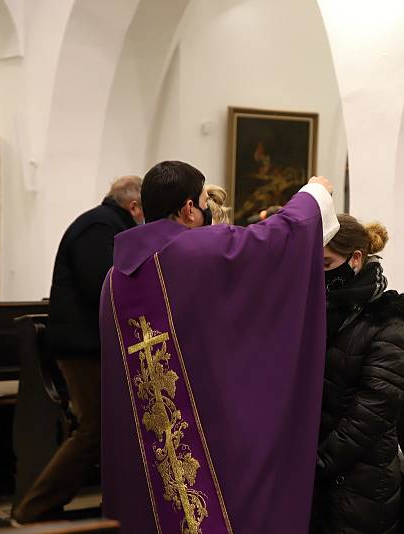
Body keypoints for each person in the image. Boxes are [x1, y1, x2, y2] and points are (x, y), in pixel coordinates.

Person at [99, 161, 339, 533]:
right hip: (208, 427)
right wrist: (314, 195)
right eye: (201, 200)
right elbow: (277, 238)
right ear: (189, 209)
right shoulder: (198, 252)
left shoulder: (115, 279)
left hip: (147, 439)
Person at [12, 175, 144, 524]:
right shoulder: (98, 227)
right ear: (134, 206)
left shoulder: (106, 225)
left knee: (98, 428)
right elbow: (101, 284)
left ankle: (55, 506)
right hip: (81, 347)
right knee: (93, 429)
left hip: (90, 344)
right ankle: (31, 510)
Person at [310, 215, 404, 534]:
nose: (320, 275)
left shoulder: (388, 325)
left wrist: (319, 463)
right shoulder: (320, 312)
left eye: (327, 264)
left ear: (356, 259)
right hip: (317, 477)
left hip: (360, 481)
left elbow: (370, 414)